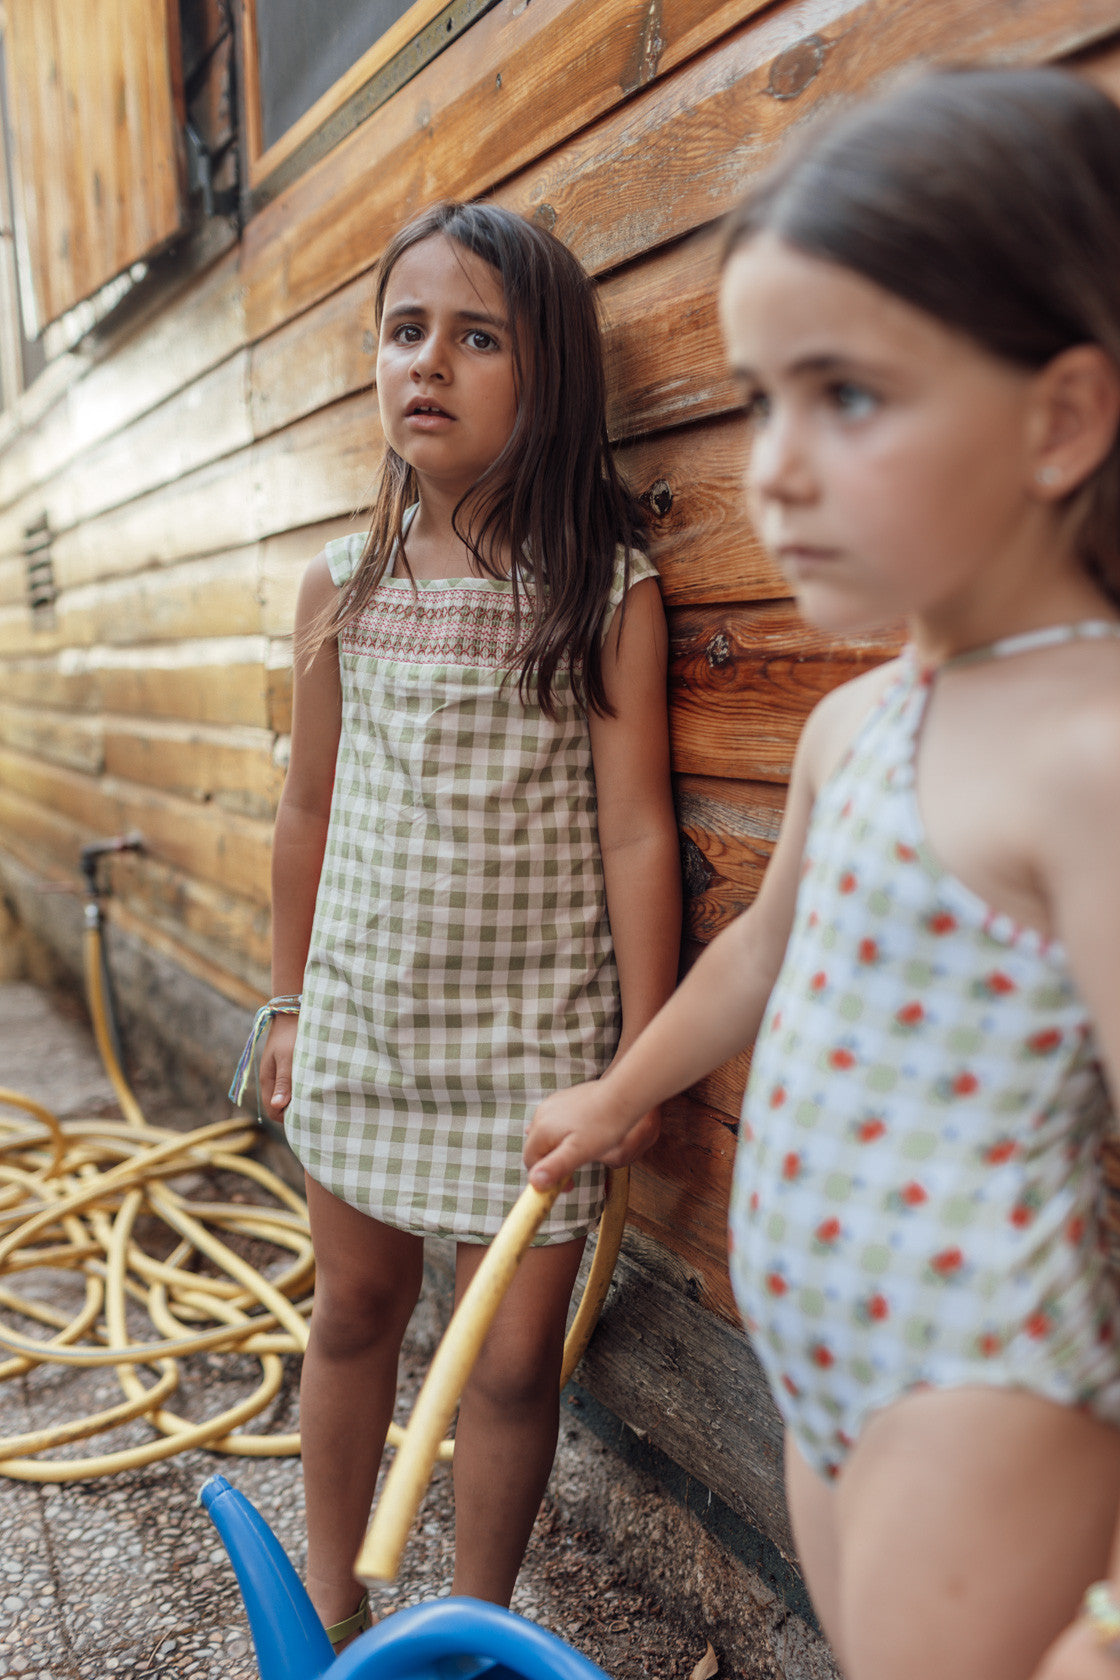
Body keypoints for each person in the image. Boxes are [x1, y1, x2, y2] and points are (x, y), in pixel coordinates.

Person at [524, 66, 1120, 1680]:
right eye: (762, 397)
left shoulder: (1092, 751)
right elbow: (760, 955)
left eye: (845, 397)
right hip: (820, 1356)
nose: (773, 465)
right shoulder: (860, 723)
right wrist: (614, 1097)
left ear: (1060, 419)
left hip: (971, 1387)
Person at [238, 201, 680, 1648]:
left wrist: (645, 1064)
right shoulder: (340, 592)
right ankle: (328, 1597)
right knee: (356, 1313)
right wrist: (291, 1002)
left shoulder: (601, 596)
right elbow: (305, 814)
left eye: (476, 337)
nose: (428, 362)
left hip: (531, 1058)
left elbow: (633, 833)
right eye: (405, 331)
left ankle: (474, 1628)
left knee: (504, 1369)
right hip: (365, 1029)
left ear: (546, 379)